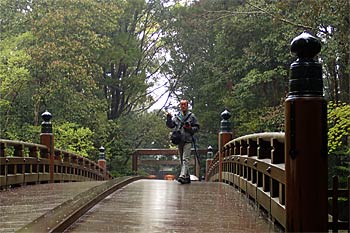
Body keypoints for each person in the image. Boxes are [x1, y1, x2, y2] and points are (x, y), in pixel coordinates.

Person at [166, 99, 199, 184]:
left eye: (185, 104)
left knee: (185, 159)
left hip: (188, 140)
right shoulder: (177, 116)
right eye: (182, 105)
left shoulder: (192, 116)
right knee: (181, 160)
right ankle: (187, 177)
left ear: (187, 106)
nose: (183, 106)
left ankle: (182, 176)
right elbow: (171, 125)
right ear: (180, 106)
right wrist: (169, 119)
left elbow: (197, 127)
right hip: (179, 140)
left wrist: (190, 128)